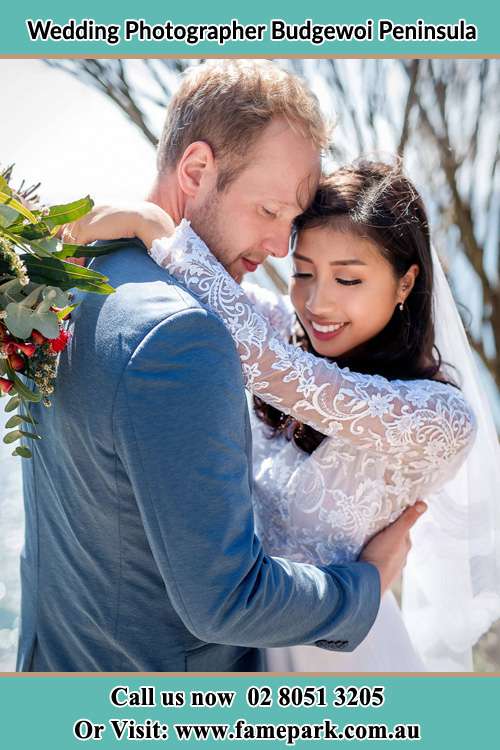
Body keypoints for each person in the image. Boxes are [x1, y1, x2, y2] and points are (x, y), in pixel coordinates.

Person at [16, 61, 422, 673]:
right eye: (269, 211)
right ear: (198, 170)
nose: (284, 248)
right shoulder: (183, 335)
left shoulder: (71, 279)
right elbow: (228, 600)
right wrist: (364, 585)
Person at [74, 160, 496, 672]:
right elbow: (213, 298)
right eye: (303, 273)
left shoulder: (440, 415)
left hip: (343, 656)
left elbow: (272, 368)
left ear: (406, 282)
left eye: (347, 278)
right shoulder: (285, 329)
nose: (317, 303)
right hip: (248, 637)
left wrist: (160, 230)